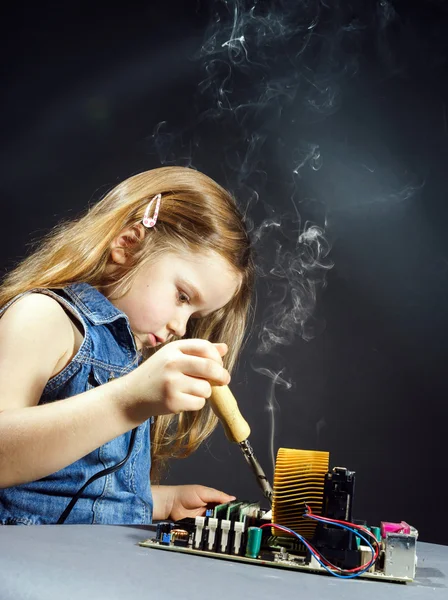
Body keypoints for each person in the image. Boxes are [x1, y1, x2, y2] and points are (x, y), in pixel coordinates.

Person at [0, 166, 254, 525]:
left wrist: (160, 501)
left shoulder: (134, 360)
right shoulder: (44, 317)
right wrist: (127, 401)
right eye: (182, 296)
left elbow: (76, 488)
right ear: (128, 245)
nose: (181, 327)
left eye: (196, 315)